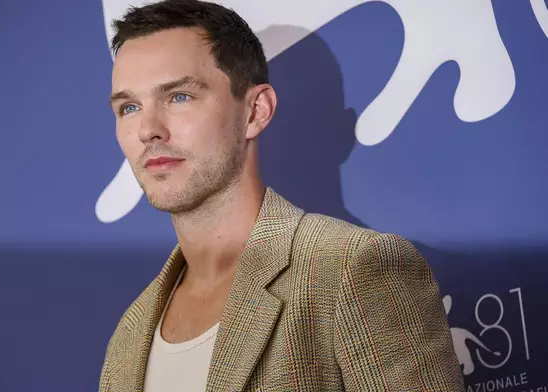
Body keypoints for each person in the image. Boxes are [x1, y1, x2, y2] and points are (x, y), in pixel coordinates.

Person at [99, 0, 465, 390]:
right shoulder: (130, 332)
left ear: (256, 111)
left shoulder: (351, 271)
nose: (147, 130)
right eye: (129, 107)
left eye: (179, 97)